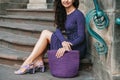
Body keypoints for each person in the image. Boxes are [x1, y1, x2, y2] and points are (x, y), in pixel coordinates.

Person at [14, 0, 86, 75]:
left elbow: (81, 37)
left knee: (45, 33)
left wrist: (68, 45)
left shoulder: (78, 15)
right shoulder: (63, 13)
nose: (66, 0)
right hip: (67, 44)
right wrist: (63, 42)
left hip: (76, 47)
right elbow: (58, 30)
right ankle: (38, 60)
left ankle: (28, 62)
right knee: (46, 34)